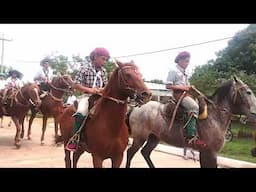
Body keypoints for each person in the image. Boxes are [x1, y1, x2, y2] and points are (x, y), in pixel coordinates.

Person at [66, 47, 110, 151]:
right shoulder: (84, 69)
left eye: (106, 59)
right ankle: (75, 139)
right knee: (81, 113)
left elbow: (106, 86)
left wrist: (100, 90)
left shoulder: (104, 71)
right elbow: (76, 85)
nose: (105, 62)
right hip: (86, 96)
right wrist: (90, 90)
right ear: (95, 57)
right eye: (103, 59)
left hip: (100, 96)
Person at [166, 51, 206, 147]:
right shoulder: (173, 70)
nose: (187, 63)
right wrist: (183, 88)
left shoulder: (186, 72)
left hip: (187, 94)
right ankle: (190, 136)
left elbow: (186, 84)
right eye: (186, 61)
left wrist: (190, 87)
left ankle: (199, 133)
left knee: (202, 104)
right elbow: (168, 86)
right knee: (194, 107)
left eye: (188, 61)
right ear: (180, 60)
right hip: (178, 95)